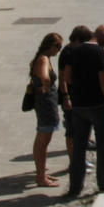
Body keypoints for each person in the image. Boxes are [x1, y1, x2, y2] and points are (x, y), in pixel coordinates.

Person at [59, 24, 104, 197]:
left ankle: (75, 187)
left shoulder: (75, 51)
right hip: (97, 104)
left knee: (79, 146)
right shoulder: (100, 53)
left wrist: (80, 87)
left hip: (78, 104)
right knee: (103, 143)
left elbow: (67, 77)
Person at [28, 32, 63, 186]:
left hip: (45, 102)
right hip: (46, 103)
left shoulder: (42, 58)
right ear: (50, 46)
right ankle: (41, 177)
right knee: (43, 139)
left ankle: (42, 173)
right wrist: (47, 88)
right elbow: (45, 76)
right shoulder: (43, 59)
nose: (59, 50)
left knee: (44, 139)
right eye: (58, 46)